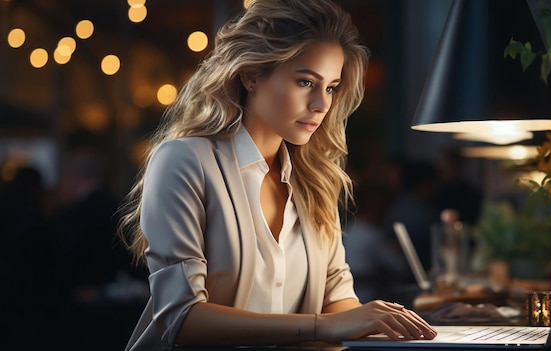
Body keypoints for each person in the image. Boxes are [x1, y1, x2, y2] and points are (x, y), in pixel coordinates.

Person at [116, 0, 436, 349]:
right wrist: (323, 326)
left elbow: (337, 299)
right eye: (305, 82)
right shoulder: (184, 160)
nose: (321, 104)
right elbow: (182, 319)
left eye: (330, 87)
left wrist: (394, 320)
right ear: (251, 75)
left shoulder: (314, 180)